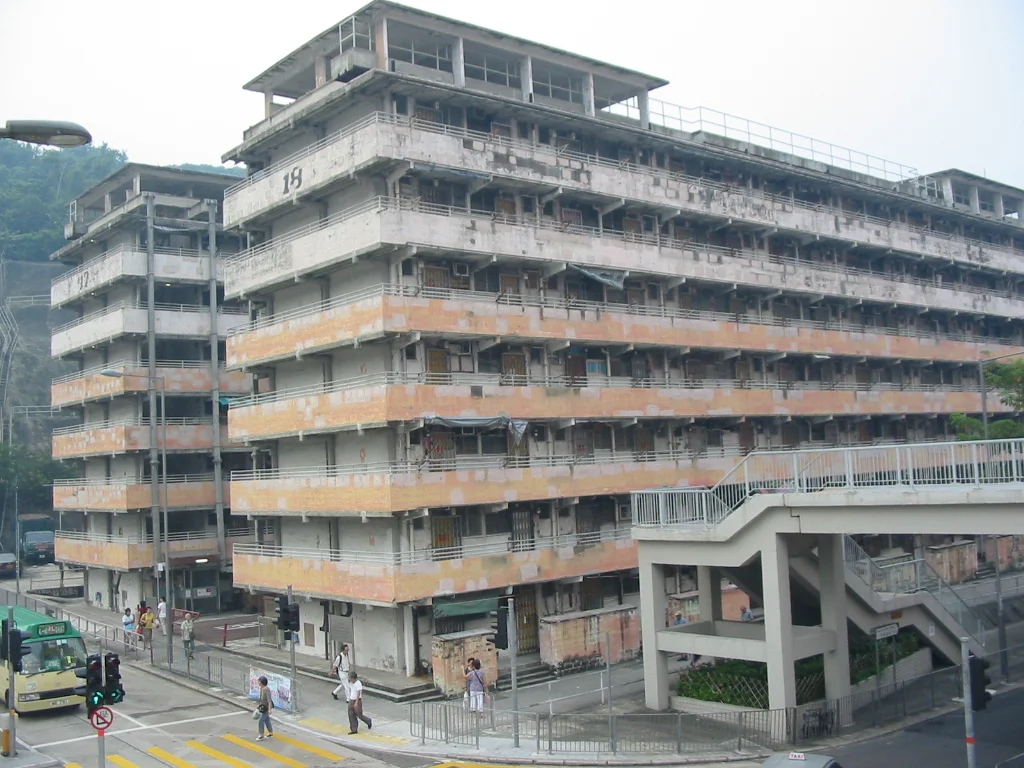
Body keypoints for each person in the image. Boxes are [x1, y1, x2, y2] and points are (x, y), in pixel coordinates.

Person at [256, 675, 274, 741]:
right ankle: (271, 733)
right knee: (267, 720)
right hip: (263, 707)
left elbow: (269, 700)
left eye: (259, 681)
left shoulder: (266, 689)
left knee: (261, 720)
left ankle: (261, 734)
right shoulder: (261, 688)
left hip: (266, 708)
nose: (258, 682)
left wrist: (269, 709)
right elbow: (261, 699)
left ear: (262, 682)